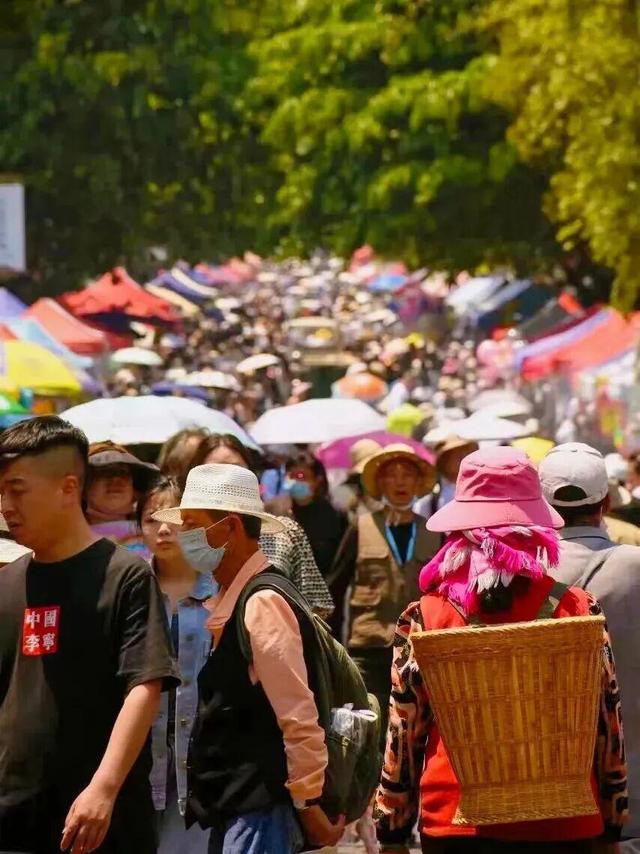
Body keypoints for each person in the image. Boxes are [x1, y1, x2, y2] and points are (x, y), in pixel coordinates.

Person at [375, 447, 628, 854]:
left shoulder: (425, 615)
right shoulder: (579, 608)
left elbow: (404, 731)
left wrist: (392, 829)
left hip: (456, 822)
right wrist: (613, 824)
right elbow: (606, 725)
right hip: (566, 824)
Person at [0, 416, 179, 854]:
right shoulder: (7, 582)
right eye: (1, 491)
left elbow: (146, 685)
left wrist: (103, 787)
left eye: (17, 490)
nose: (5, 504)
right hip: (14, 819)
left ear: (67, 488)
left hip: (98, 823)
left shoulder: (125, 576)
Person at [153, 463, 345, 853]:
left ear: (230, 527)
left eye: (192, 524)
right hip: (242, 810)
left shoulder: (263, 602)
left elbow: (298, 717)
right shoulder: (236, 597)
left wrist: (309, 806)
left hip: (262, 814)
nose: (183, 535)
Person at [539, 442, 640, 851]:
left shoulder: (521, 574)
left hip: (547, 794)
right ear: (608, 501)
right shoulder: (634, 565)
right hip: (634, 789)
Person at [331, 443, 439, 739]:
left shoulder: (434, 531)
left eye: (408, 475)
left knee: (414, 730)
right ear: (380, 484)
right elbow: (336, 587)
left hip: (419, 648)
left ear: (418, 484)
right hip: (369, 648)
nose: (400, 481)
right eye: (392, 475)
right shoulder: (361, 527)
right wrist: (330, 647)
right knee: (367, 728)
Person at [139, 476, 212, 854]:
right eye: (152, 519)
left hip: (203, 762)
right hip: (138, 757)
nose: (163, 528)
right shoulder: (128, 591)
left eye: (174, 517)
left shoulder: (221, 593)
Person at [189, 433, 334, 616]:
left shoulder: (285, 533)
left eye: (237, 468)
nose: (228, 477)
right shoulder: (186, 537)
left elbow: (318, 607)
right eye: (215, 470)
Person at [86, 440, 159, 559]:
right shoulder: (66, 542)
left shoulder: (161, 533)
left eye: (123, 472)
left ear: (135, 491)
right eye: (104, 472)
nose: (116, 479)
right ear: (82, 488)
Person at [284, 452, 349, 580]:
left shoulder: (335, 515)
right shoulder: (276, 511)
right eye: (291, 476)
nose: (295, 482)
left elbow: (342, 563)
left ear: (317, 480)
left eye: (301, 476)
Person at [415, 435, 478, 520]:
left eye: (465, 454)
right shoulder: (429, 501)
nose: (462, 458)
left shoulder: (478, 490)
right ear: (444, 461)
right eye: (457, 455)